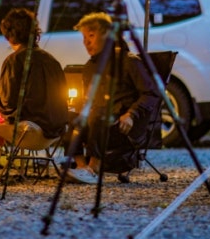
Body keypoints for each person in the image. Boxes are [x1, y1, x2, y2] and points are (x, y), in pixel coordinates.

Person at [0, 8, 69, 184]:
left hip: (28, 130)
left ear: (9, 35)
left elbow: (7, 103)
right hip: (54, 131)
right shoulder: (52, 61)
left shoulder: (14, 60)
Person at [66, 12, 159, 184]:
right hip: (98, 123)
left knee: (99, 114)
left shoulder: (129, 61)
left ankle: (94, 168)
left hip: (124, 125)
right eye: (84, 37)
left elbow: (152, 93)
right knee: (69, 117)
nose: (86, 42)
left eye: (91, 36)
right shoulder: (90, 67)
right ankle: (82, 167)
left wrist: (131, 114)